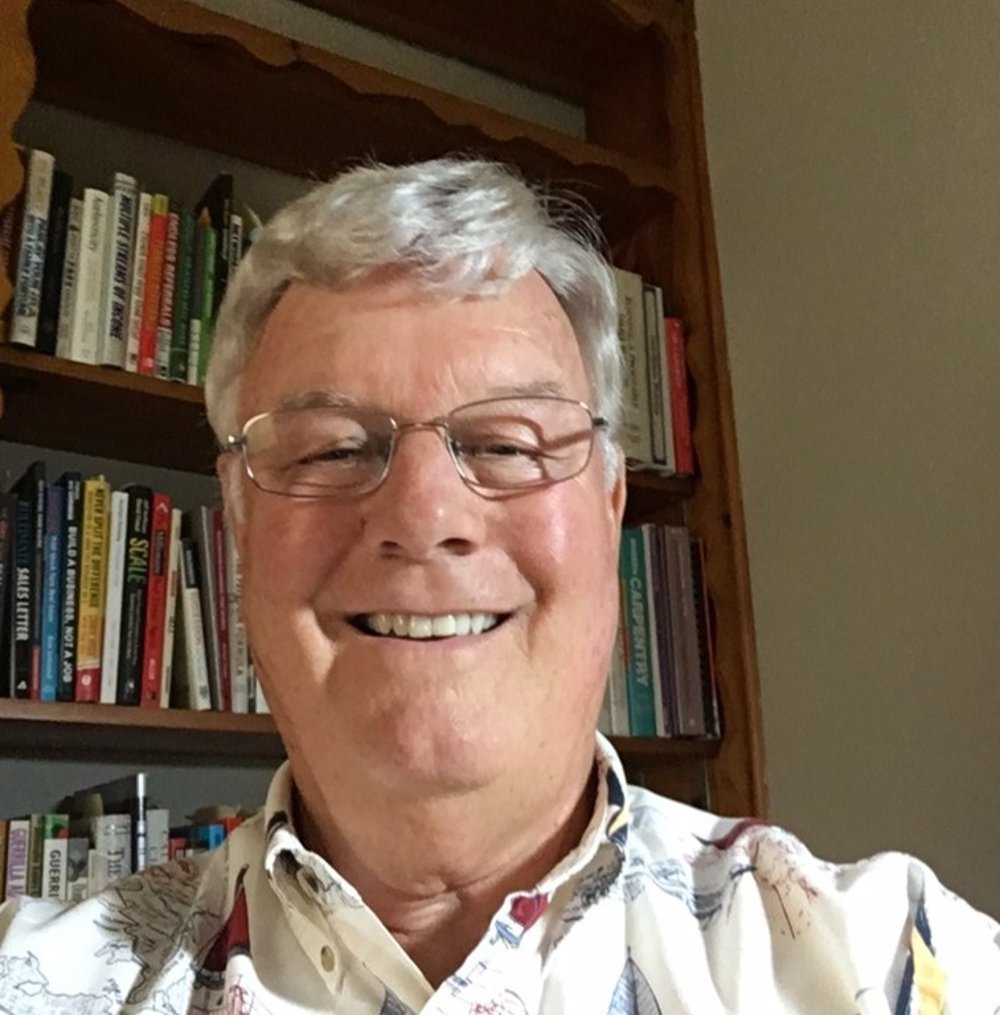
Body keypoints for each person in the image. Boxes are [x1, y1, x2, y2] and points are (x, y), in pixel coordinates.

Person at [1, 157, 997, 1014]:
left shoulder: (891, 960)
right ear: (240, 523)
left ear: (608, 504)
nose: (423, 513)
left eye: (505, 442)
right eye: (335, 448)